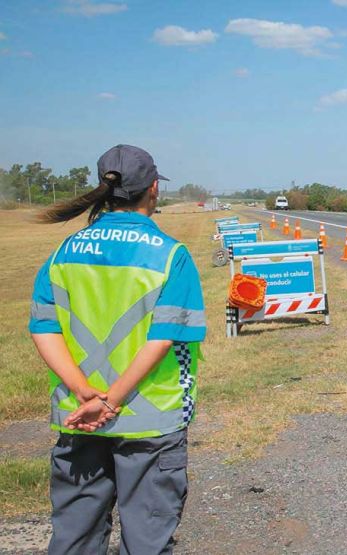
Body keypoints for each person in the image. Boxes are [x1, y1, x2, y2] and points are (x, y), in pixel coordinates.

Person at [29, 145, 206, 554]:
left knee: (74, 537)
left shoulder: (62, 254)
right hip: (150, 421)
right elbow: (162, 339)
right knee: (146, 539)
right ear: (154, 189)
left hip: (79, 417)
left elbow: (44, 328)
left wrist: (84, 393)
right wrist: (113, 400)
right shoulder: (170, 256)